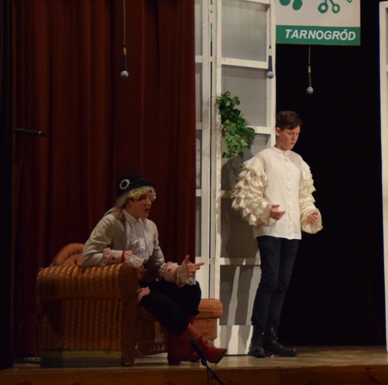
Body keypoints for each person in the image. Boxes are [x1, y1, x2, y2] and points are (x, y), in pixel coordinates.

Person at [81, 171, 226, 365]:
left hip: (147, 283)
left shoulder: (150, 227)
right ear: (128, 201)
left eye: (150, 198)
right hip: (125, 288)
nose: (149, 202)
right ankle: (201, 345)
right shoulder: (111, 222)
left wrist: (179, 272)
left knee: (191, 288)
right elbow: (87, 257)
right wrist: (122, 256)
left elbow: (157, 265)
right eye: (143, 198)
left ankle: (178, 347)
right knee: (164, 303)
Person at [231, 110, 322, 358]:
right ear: (278, 131)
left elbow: (304, 196)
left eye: (297, 134)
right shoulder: (263, 159)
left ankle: (272, 337)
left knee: (282, 283)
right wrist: (265, 209)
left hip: (291, 232)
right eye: (290, 133)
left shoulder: (299, 161)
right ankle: (257, 338)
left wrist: (309, 213)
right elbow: (247, 195)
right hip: (270, 229)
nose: (294, 138)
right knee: (270, 280)